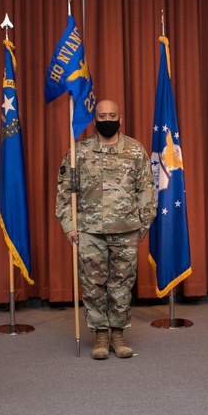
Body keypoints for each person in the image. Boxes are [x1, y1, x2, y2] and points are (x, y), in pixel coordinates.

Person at [56, 99, 156, 360]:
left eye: (112, 114)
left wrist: (144, 223)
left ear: (120, 119)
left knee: (122, 284)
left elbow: (146, 189)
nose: (107, 119)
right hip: (89, 230)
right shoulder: (79, 152)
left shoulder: (135, 150)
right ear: (95, 119)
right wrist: (69, 226)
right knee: (93, 285)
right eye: (102, 115)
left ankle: (118, 333)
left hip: (125, 230)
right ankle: (100, 334)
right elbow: (66, 191)